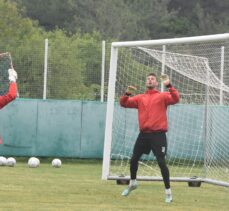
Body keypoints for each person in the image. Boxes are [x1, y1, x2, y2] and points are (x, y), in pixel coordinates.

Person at [119, 73, 179, 203]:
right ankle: (133, 182)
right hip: (144, 135)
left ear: (157, 83)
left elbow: (176, 99)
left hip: (158, 135)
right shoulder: (140, 98)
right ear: (146, 83)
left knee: (161, 162)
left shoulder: (162, 96)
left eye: (152, 79)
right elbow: (123, 103)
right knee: (134, 158)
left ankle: (168, 192)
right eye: (148, 79)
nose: (150, 80)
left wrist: (168, 84)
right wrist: (127, 93)